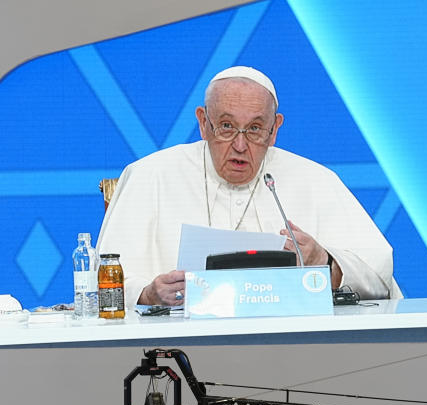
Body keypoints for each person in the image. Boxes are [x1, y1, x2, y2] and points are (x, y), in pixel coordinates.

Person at [95, 66, 398, 308]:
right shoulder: (150, 175)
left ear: (275, 129)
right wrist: (148, 294)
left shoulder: (316, 179)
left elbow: (379, 271)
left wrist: (325, 262)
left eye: (255, 129)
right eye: (226, 127)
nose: (240, 145)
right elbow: (103, 279)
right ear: (203, 123)